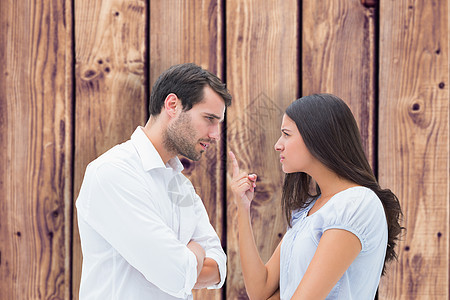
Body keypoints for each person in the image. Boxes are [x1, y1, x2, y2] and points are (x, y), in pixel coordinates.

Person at [76, 63, 231, 299]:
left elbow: (219, 268)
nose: (215, 134)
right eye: (209, 118)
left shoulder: (181, 187)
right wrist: (196, 251)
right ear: (172, 105)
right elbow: (176, 274)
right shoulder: (113, 173)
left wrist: (186, 260)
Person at [230, 93, 403, 299]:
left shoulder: (356, 203)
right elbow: (261, 289)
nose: (278, 145)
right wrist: (243, 206)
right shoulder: (307, 211)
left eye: (286, 134)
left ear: (317, 136)